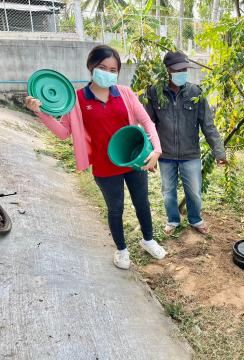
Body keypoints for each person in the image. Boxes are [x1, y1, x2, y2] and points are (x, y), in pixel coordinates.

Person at [25, 45, 166, 270]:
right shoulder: (78, 99)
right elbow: (63, 132)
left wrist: (156, 150)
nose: (108, 73)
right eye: (102, 67)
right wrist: (40, 112)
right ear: (91, 67)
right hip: (104, 166)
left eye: (113, 69)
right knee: (115, 209)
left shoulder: (126, 93)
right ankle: (122, 251)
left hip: (133, 159)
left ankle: (148, 240)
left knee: (142, 202)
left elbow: (147, 122)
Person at [144, 51, 227, 235]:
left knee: (194, 192)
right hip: (165, 154)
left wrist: (219, 152)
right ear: (168, 70)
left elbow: (208, 125)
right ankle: (173, 220)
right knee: (168, 192)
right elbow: (148, 125)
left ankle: (195, 220)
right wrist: (150, 154)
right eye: (178, 69)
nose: (182, 72)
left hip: (190, 154)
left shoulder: (195, 93)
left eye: (184, 69)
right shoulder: (154, 93)